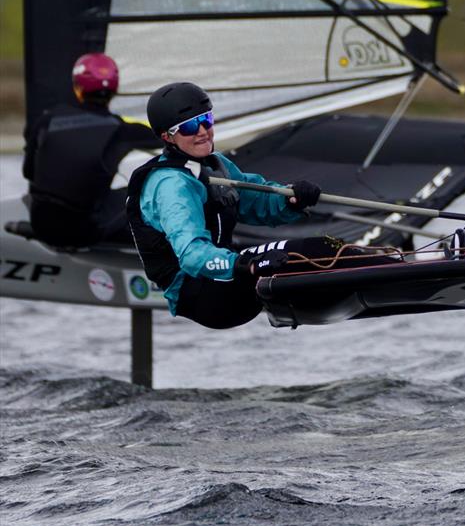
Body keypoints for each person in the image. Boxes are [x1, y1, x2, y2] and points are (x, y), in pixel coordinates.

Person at [127, 82, 398, 329]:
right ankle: (397, 278)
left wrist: (291, 199)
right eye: (188, 127)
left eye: (206, 120)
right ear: (167, 137)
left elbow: (257, 203)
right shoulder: (171, 185)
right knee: (315, 249)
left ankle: (395, 275)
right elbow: (191, 255)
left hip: (225, 282)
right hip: (203, 294)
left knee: (329, 248)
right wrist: (246, 266)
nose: (202, 132)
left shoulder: (214, 165)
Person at [23, 53, 162, 246]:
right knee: (148, 190)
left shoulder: (48, 119)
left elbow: (28, 171)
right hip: (83, 232)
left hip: (40, 221)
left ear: (77, 88)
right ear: (114, 89)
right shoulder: (122, 130)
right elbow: (167, 138)